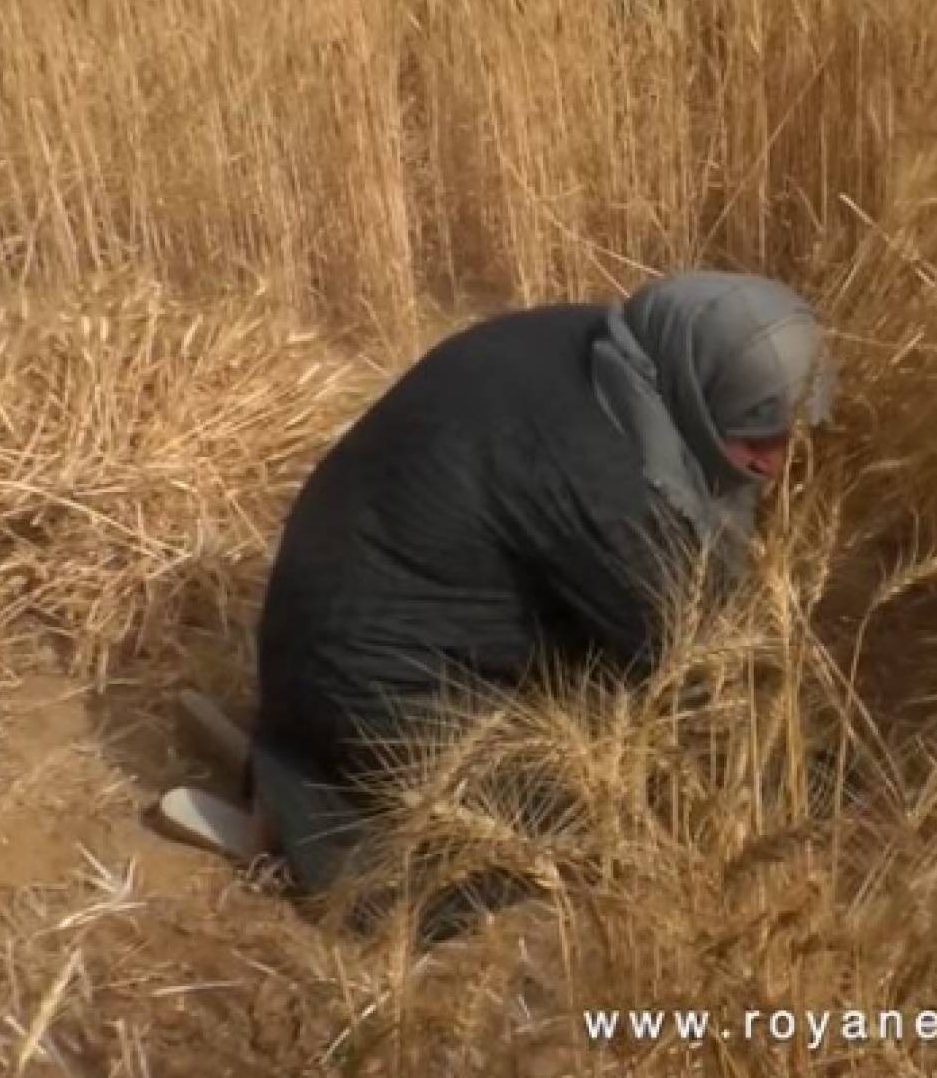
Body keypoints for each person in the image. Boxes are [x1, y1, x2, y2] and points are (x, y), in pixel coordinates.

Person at [154, 270, 833, 936]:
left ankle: (295, 758)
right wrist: (813, 784)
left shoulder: (595, 342)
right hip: (370, 684)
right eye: (753, 437)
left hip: (331, 624)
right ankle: (309, 835)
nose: (772, 462)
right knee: (590, 837)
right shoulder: (605, 489)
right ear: (696, 384)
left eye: (785, 435)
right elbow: (699, 678)